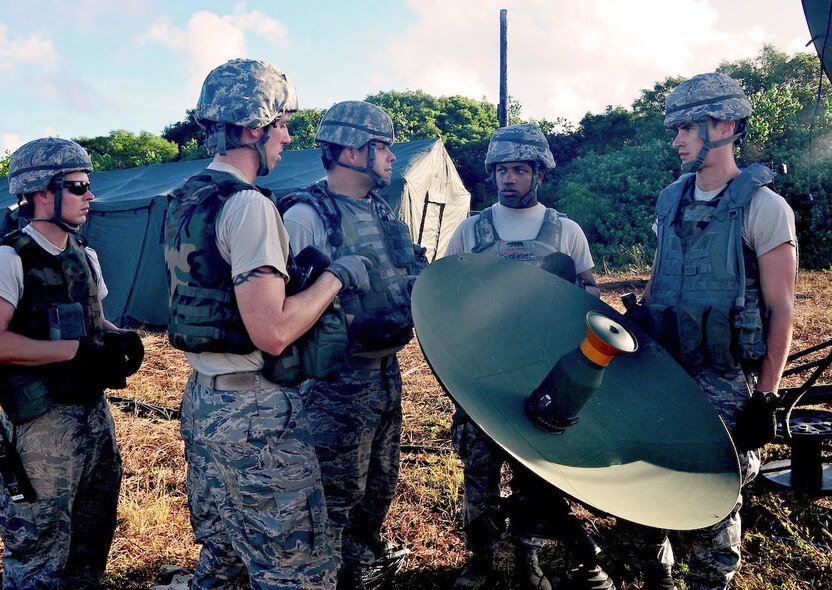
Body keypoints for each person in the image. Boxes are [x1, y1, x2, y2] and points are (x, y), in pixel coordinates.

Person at [163, 59, 372, 590]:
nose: (286, 137)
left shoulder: (187, 197)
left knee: (226, 559)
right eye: (281, 123)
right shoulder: (250, 206)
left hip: (204, 400)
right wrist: (336, 280)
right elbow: (272, 332)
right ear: (253, 127)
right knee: (298, 572)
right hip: (253, 414)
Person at [634, 72, 797, 590]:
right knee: (645, 473)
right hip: (664, 365)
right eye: (675, 129)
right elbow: (661, 278)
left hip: (725, 377)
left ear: (724, 125)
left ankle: (711, 582)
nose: (677, 138)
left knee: (714, 489)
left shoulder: (764, 207)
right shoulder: (670, 200)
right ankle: (654, 567)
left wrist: (765, 397)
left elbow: (781, 310)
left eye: (687, 126)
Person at [442, 123, 613, 590]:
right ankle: (478, 559)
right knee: (479, 471)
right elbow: (448, 296)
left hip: (543, 376)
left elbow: (590, 293)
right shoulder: (471, 231)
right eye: (500, 170)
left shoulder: (566, 231)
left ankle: (527, 557)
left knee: (533, 471)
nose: (507, 179)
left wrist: (576, 291)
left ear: (539, 173)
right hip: (482, 373)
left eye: (518, 169)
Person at [0, 137, 144, 589]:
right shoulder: (9, 258)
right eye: (78, 186)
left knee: (92, 535)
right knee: (38, 549)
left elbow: (96, 320)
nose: (90, 196)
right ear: (42, 193)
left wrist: (117, 338)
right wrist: (75, 351)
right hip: (40, 425)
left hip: (91, 415)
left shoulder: (84, 255)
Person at [279, 100, 427, 589]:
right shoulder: (307, 215)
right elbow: (284, 311)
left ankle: (361, 567)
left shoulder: (381, 210)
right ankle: (327, 575)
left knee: (379, 483)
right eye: (381, 146)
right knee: (334, 492)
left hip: (384, 372)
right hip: (334, 381)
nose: (391, 157)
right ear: (347, 151)